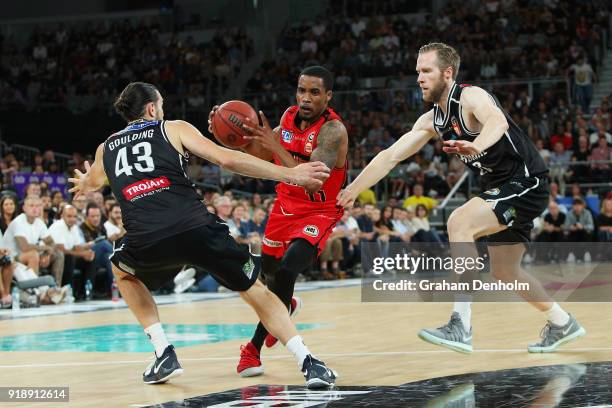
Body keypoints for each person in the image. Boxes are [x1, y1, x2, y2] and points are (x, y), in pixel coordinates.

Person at [68, 81, 336, 388]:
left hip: (147, 239)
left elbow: (92, 182)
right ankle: (308, 362)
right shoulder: (172, 128)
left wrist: (85, 182)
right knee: (256, 291)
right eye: (162, 106)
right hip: (195, 228)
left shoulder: (107, 147)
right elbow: (227, 159)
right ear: (153, 108)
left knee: (123, 272)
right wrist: (291, 173)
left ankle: (163, 352)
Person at [338, 42, 585, 354]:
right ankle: (563, 323)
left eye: (426, 71)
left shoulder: (470, 96)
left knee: (459, 222)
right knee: (506, 271)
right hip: (499, 187)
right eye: (417, 72)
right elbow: (389, 157)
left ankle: (461, 325)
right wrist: (353, 190)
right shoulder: (432, 120)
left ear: (447, 73)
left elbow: (498, 121)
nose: (419, 78)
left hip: (527, 181)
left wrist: (477, 144)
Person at [210, 66, 348, 377]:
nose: (306, 98)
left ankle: (252, 349)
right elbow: (258, 153)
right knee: (270, 278)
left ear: (328, 96)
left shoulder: (333, 131)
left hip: (318, 210)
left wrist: (274, 147)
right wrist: (228, 136)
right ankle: (284, 307)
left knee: (288, 269)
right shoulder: (287, 117)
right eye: (302, 90)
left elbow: (312, 181)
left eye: (314, 92)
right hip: (284, 207)